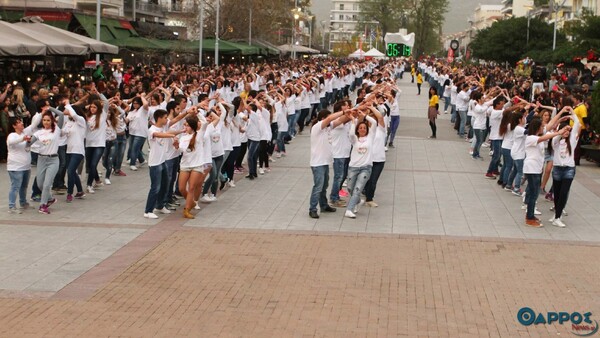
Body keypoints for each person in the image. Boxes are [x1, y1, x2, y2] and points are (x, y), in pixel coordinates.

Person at [523, 117, 567, 228]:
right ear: (537, 128)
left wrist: (560, 117)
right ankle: (529, 217)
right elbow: (546, 136)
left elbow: (549, 126)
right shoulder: (531, 138)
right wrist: (559, 132)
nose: (544, 128)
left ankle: (531, 214)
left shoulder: (538, 136)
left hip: (536, 168)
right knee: (534, 194)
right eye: (542, 126)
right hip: (531, 168)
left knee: (533, 193)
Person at [308, 109, 345, 219]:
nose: (332, 119)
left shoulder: (328, 128)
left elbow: (340, 120)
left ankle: (324, 205)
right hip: (317, 163)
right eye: (329, 117)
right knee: (318, 187)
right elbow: (331, 118)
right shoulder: (317, 127)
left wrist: (350, 112)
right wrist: (343, 111)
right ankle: (312, 209)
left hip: (325, 162)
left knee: (324, 186)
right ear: (323, 118)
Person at [143, 109, 180, 219]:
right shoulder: (152, 130)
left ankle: (160, 206)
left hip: (163, 161)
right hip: (155, 163)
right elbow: (158, 135)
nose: (166, 119)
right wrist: (171, 136)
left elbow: (177, 118)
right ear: (159, 118)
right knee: (155, 187)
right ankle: (148, 210)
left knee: (165, 184)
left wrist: (182, 130)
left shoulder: (164, 127)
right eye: (165, 117)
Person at [28, 108, 65, 214]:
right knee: (40, 184)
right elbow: (29, 143)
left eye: (48, 120)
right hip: (41, 159)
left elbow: (61, 114)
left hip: (53, 160)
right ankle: (50, 198)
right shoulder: (39, 133)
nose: (46, 122)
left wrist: (50, 109)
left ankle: (43, 205)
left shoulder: (57, 129)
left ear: (52, 121)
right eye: (44, 120)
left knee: (47, 184)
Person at [550, 109, 580, 228]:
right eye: (565, 130)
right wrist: (560, 129)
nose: (567, 132)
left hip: (569, 169)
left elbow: (577, 124)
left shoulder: (572, 141)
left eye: (568, 130)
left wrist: (572, 113)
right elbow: (555, 134)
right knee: (556, 194)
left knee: (563, 193)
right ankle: (557, 214)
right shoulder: (556, 140)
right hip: (557, 169)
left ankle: (557, 217)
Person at [344, 107, 377, 218]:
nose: (362, 129)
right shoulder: (355, 139)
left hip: (365, 168)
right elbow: (351, 134)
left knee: (358, 189)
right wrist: (354, 121)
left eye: (364, 128)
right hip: (353, 167)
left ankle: (349, 209)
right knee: (350, 188)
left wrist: (364, 115)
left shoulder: (370, 137)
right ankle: (357, 202)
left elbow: (374, 122)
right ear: (358, 130)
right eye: (360, 128)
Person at [6, 118, 32, 213]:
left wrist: (28, 141)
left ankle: (23, 202)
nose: (21, 123)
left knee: (24, 186)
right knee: (15, 186)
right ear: (14, 126)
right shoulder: (12, 136)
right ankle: (11, 206)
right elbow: (12, 142)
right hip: (15, 167)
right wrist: (23, 138)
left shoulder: (23, 134)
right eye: (18, 122)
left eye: (21, 121)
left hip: (26, 166)